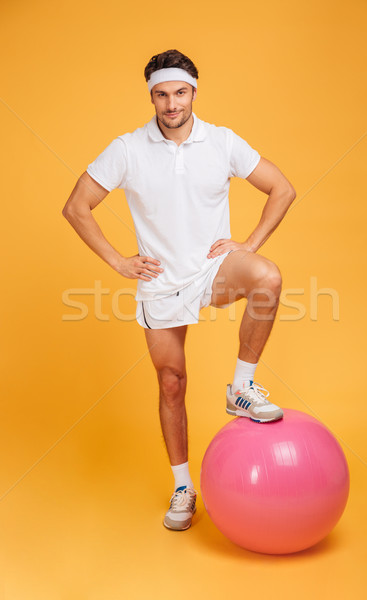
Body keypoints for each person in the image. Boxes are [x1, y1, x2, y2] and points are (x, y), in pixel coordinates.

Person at [62, 49, 296, 532]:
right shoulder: (126, 149)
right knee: (171, 382)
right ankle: (184, 487)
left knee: (267, 277)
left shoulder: (223, 141)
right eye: (163, 94)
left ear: (194, 92)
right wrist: (119, 261)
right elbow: (76, 207)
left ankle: (242, 387)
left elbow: (282, 189)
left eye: (181, 92)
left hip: (213, 271)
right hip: (161, 283)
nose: (172, 104)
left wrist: (248, 244)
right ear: (151, 96)